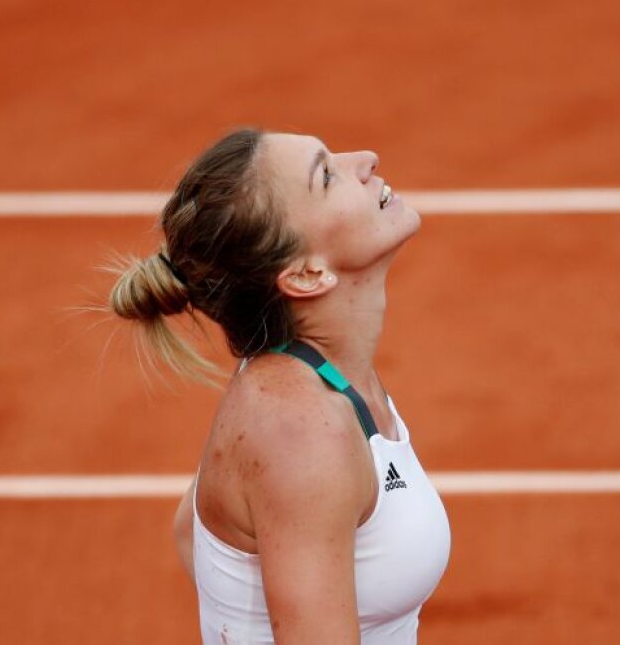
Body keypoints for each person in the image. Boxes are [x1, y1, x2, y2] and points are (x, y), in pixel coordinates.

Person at [108, 128, 451, 644]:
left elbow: (191, 528)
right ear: (308, 274)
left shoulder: (314, 376)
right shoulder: (300, 428)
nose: (366, 158)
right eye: (327, 176)